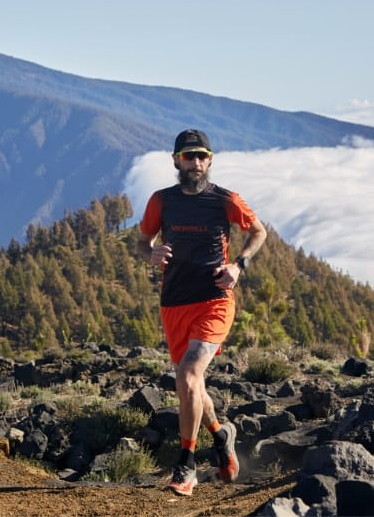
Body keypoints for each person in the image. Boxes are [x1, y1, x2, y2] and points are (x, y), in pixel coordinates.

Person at [136, 128, 268, 497]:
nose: (195, 162)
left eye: (201, 155)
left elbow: (258, 232)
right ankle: (221, 434)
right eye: (188, 155)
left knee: (190, 375)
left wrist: (238, 265)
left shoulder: (225, 199)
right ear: (176, 160)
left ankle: (186, 465)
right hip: (175, 303)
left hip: (214, 300)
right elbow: (142, 243)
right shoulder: (161, 201)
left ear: (210, 160)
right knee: (189, 384)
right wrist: (151, 254)